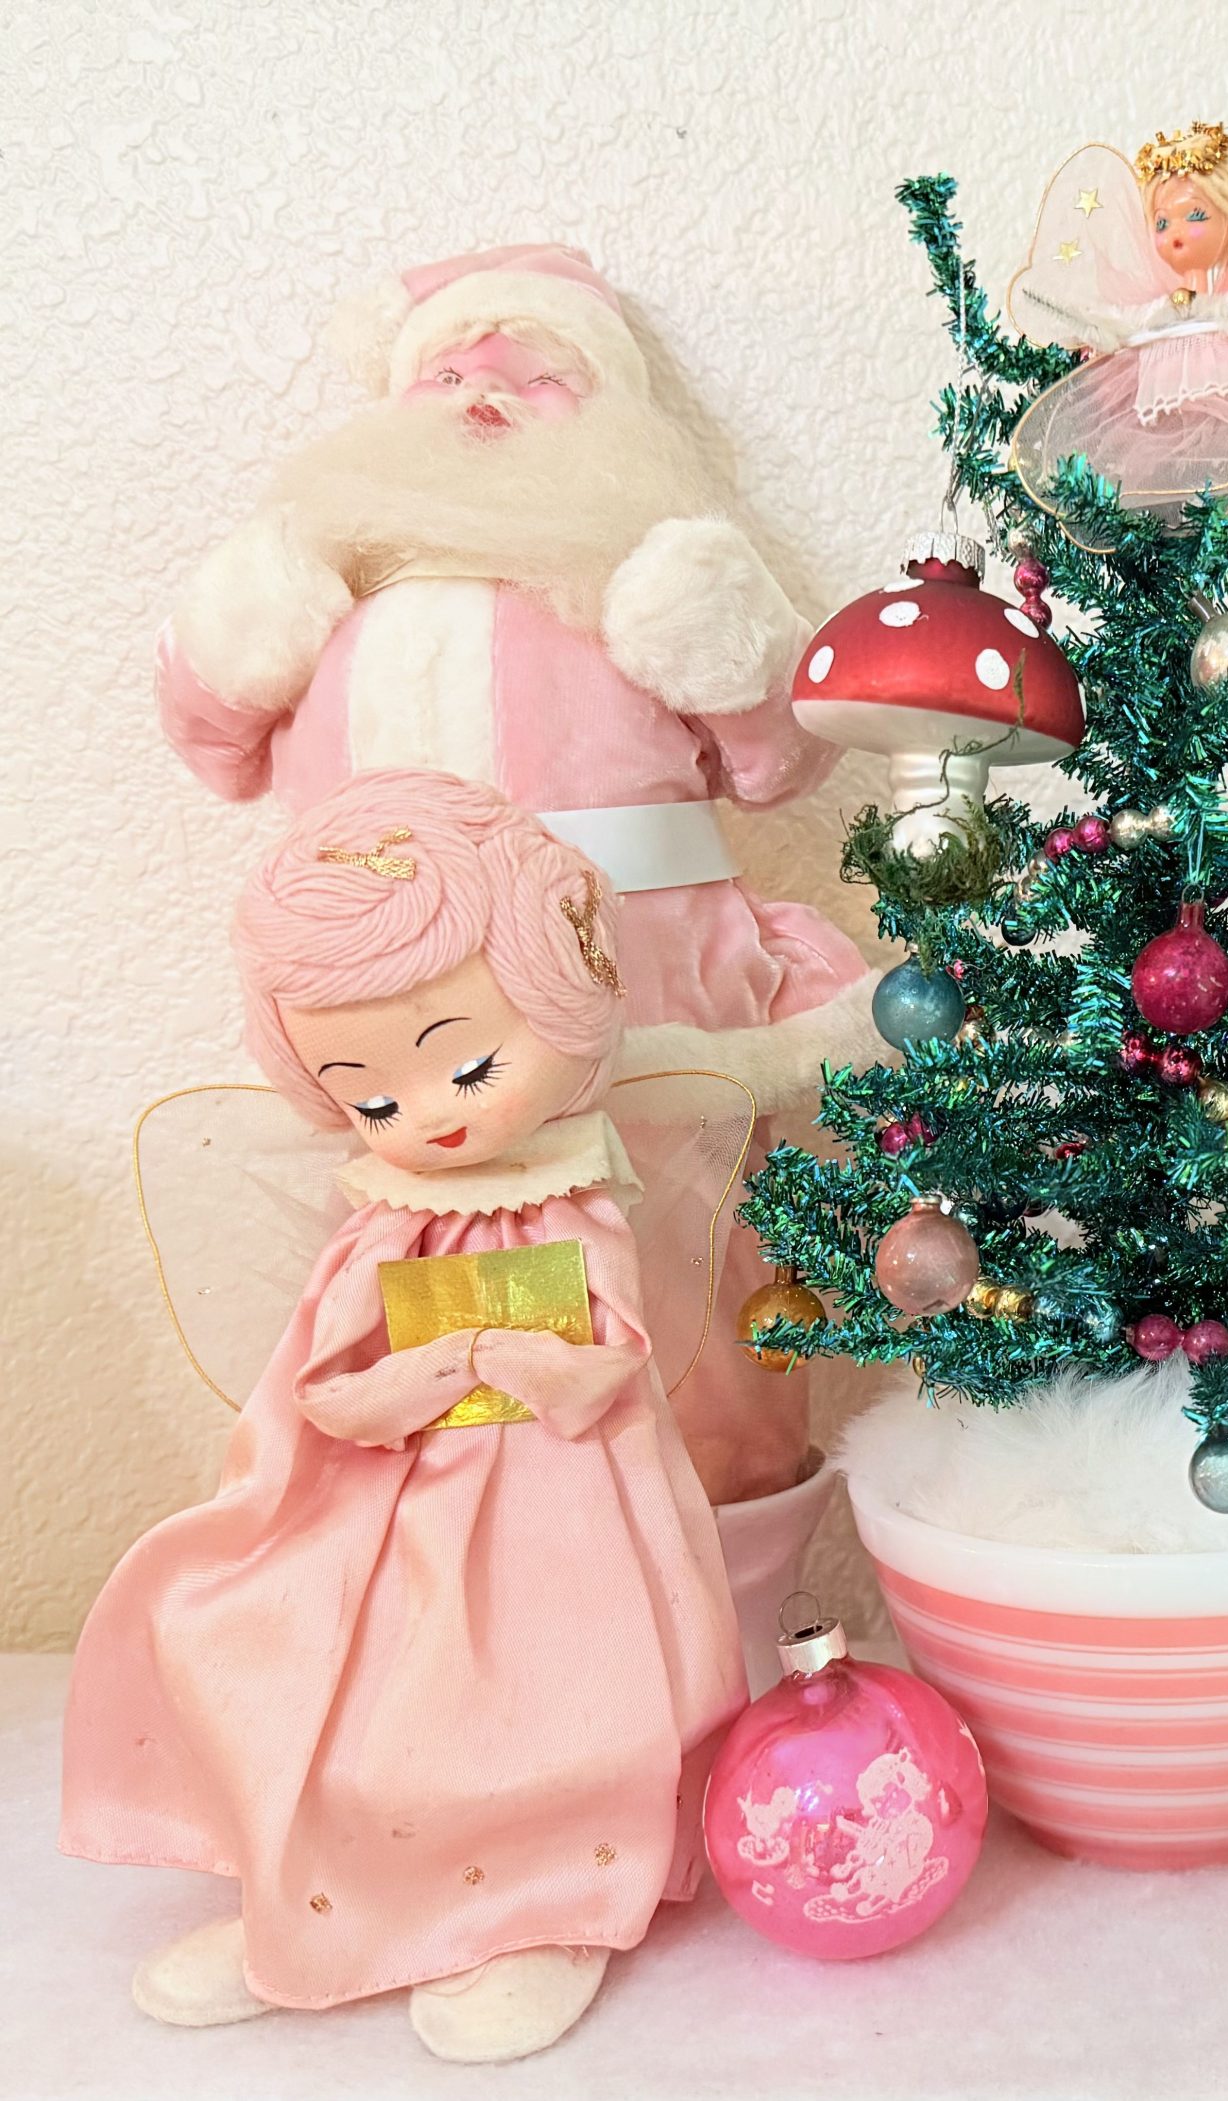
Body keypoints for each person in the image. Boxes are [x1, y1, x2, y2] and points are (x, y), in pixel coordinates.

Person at [154, 243, 873, 1508]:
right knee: (412, 1325)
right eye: (449, 369)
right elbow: (210, 739)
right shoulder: (321, 589)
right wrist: (249, 609)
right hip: (390, 1043)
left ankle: (727, 1621)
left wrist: (711, 619)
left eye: (544, 374)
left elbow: (776, 760)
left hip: (649, 1020)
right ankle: (438, 1612)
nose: (487, 393)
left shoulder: (638, 583)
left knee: (690, 1320)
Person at [62, 773, 745, 2061]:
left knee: (543, 1679)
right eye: (371, 1097)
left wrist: (513, 1359)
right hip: (385, 1487)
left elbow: (610, 1355)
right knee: (328, 1664)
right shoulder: (380, 1218)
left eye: (469, 1065)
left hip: (560, 1492)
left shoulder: (574, 1192)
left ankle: (541, 1904)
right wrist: (409, 1382)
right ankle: (311, 1902)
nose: (426, 1118)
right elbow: (323, 1375)